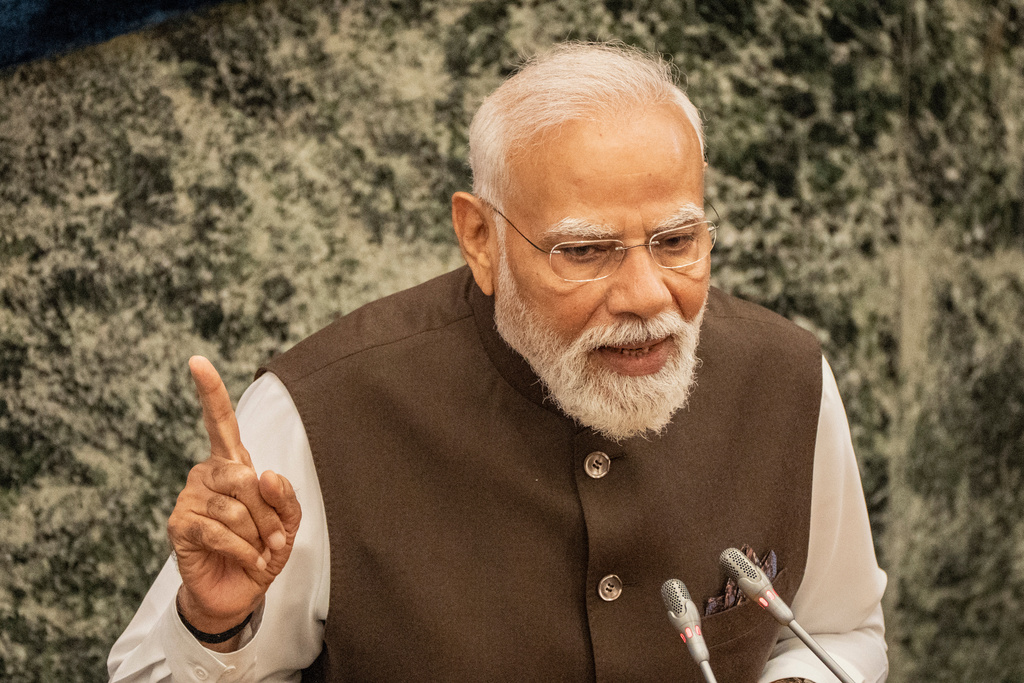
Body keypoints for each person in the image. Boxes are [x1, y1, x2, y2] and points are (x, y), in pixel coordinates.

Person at [108, 42, 887, 682]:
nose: (648, 295)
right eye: (585, 250)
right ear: (480, 238)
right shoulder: (320, 409)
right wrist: (214, 629)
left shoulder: (787, 376)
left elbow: (841, 631)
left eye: (676, 241)